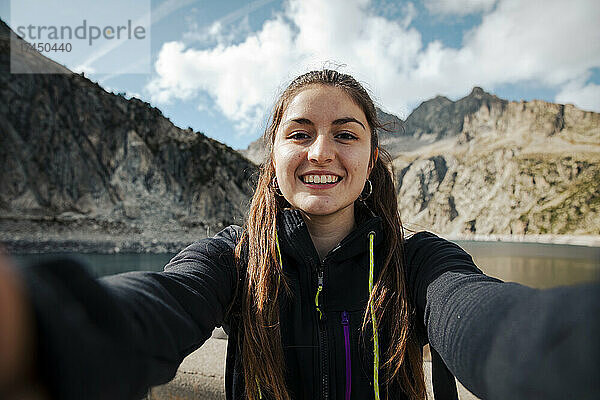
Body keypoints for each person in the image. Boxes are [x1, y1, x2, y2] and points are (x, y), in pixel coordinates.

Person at [1, 69, 599, 400]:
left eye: (345, 133)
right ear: (273, 155)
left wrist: (566, 351)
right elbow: (154, 306)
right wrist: (43, 321)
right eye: (299, 133)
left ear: (371, 158)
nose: (321, 151)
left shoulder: (419, 264)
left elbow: (491, 323)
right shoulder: (230, 260)